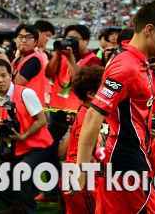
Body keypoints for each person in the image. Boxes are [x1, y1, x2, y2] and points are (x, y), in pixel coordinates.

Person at [71, 0, 155, 213]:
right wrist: (82, 167)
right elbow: (94, 115)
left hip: (125, 162)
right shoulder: (127, 67)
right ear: (149, 30)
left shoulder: (136, 61)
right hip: (125, 167)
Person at [41, 24, 101, 203]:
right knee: (49, 153)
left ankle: (70, 192)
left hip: (77, 115)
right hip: (56, 110)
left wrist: (71, 60)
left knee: (71, 155)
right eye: (69, 38)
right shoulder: (61, 55)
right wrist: (58, 54)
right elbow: (48, 73)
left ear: (86, 41)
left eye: (75, 39)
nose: (71, 43)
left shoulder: (92, 60)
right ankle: (53, 192)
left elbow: (80, 83)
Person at [0, 59, 53, 214]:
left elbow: (42, 119)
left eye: (4, 75)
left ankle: (30, 211)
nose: (0, 80)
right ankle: (16, 206)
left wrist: (24, 136)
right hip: (15, 147)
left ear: (11, 75)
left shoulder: (25, 93)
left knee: (21, 174)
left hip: (38, 145)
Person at [58, 65, 105, 214]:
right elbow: (84, 153)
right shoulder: (89, 118)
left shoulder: (84, 112)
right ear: (91, 94)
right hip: (84, 181)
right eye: (104, 88)